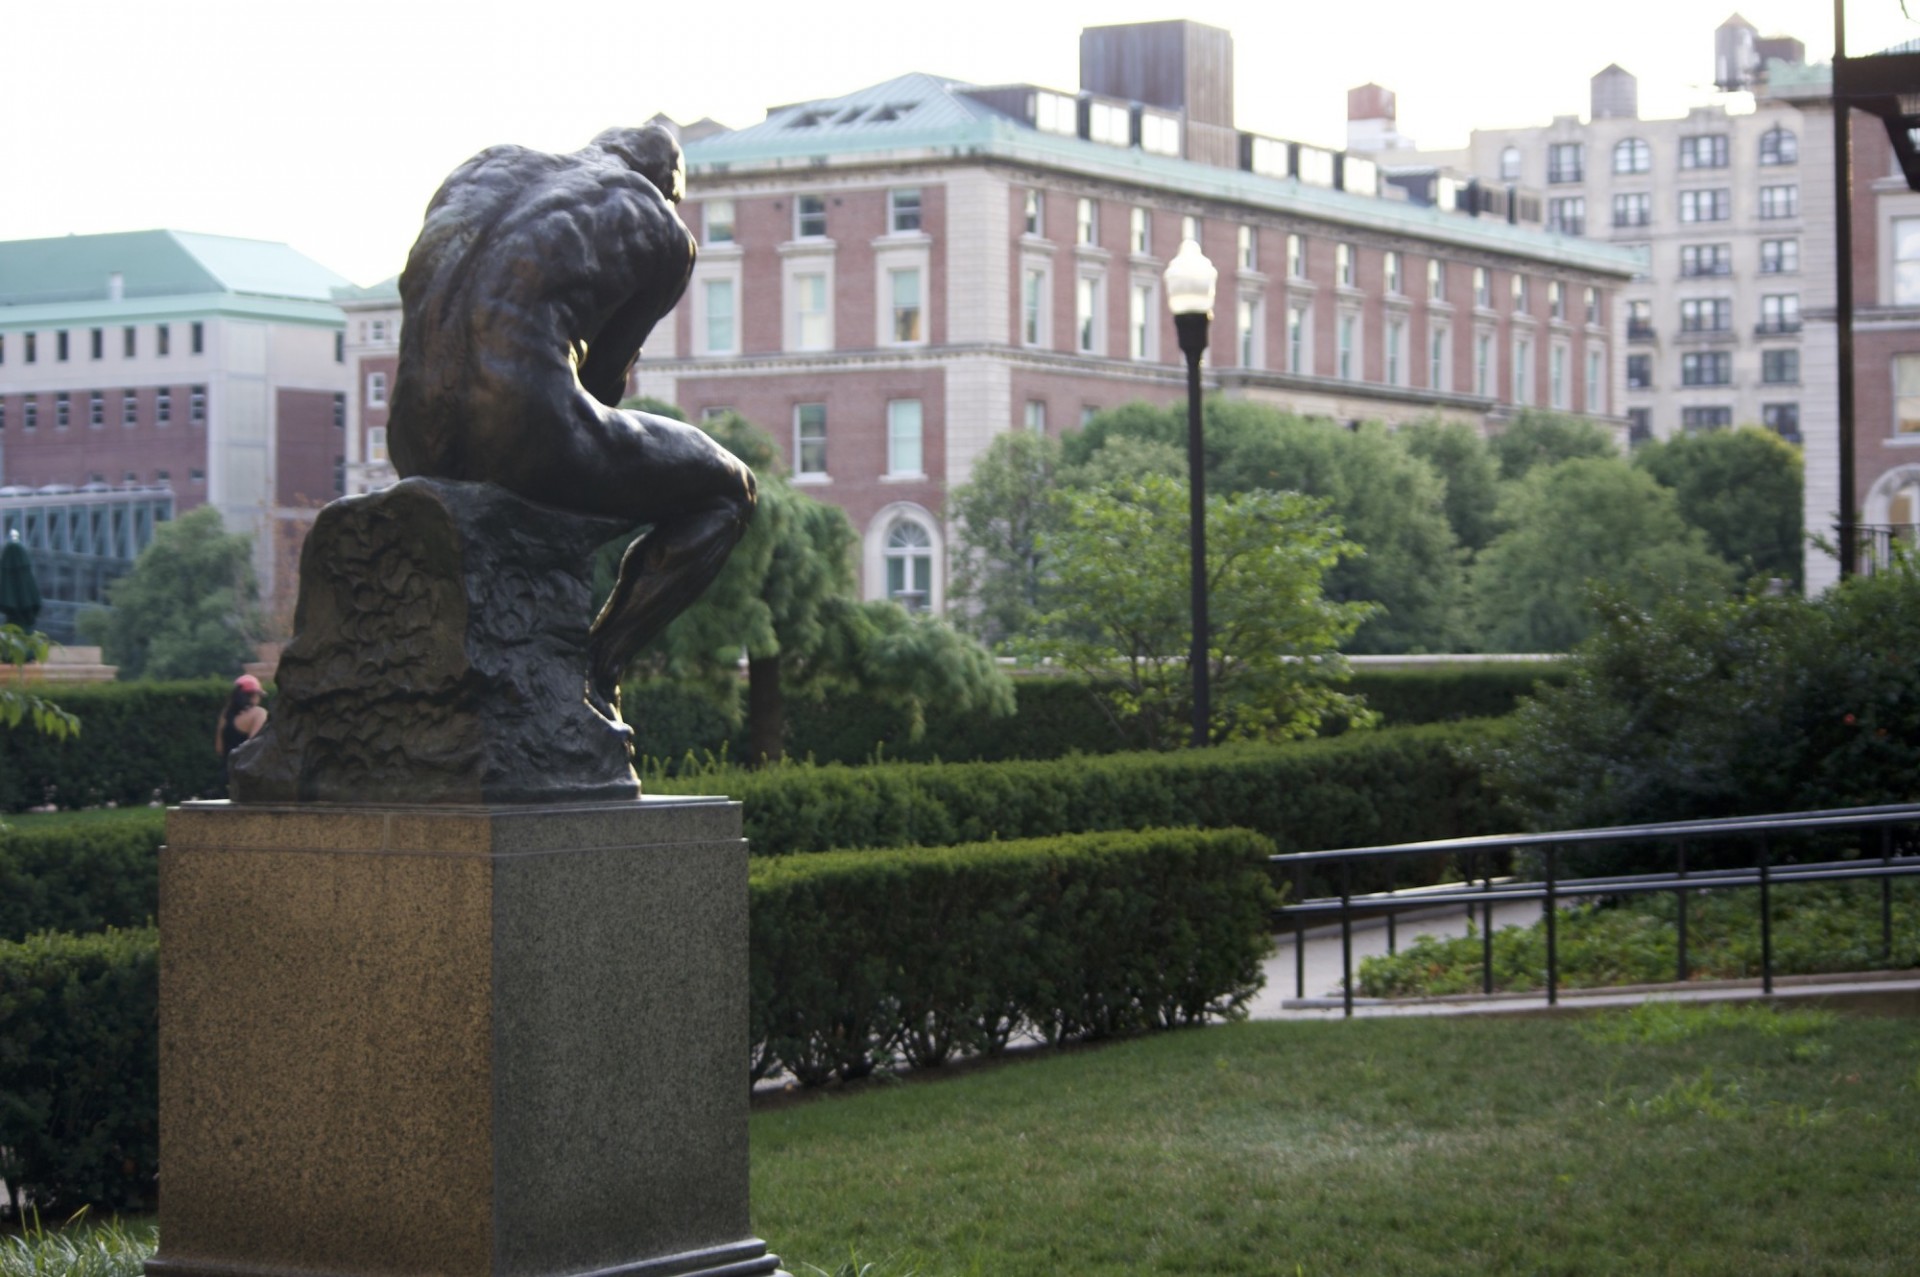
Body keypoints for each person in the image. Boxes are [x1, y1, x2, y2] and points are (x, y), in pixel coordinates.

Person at [387, 123, 757, 718]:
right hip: (524, 426)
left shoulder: (484, 167)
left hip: (411, 431)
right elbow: (604, 381)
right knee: (728, 491)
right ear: (667, 183)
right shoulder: (658, 225)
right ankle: (596, 671)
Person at [216, 675, 268, 777]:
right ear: (254, 695)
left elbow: (219, 749)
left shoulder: (225, 713)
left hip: (226, 772)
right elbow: (254, 748)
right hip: (247, 776)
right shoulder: (259, 713)